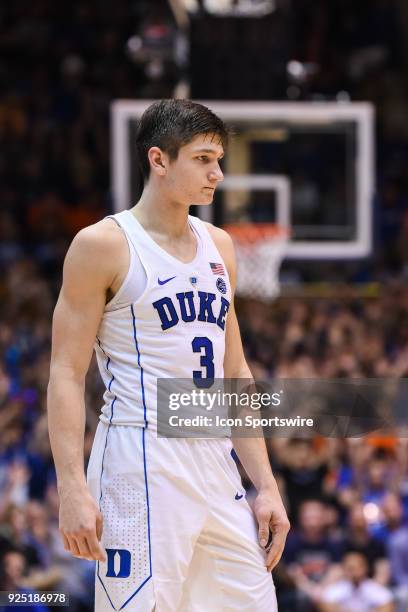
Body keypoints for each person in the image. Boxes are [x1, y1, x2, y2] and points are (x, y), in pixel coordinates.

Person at [47, 99, 290, 611]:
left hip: (215, 460)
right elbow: (67, 372)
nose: (217, 174)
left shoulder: (220, 245)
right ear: (159, 160)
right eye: (203, 159)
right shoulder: (103, 245)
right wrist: (70, 488)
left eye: (219, 159)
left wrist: (265, 485)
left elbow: (235, 372)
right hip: (139, 459)